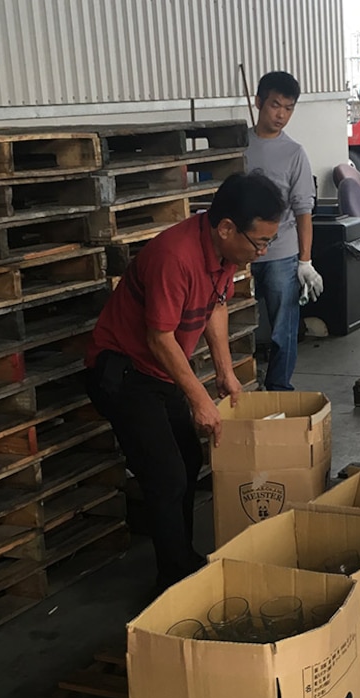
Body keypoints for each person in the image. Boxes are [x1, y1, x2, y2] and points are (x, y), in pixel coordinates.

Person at [84, 172, 285, 591]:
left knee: (189, 462)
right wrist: (199, 399)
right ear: (227, 227)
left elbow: (215, 307)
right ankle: (173, 579)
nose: (263, 251)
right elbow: (159, 338)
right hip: (121, 372)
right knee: (168, 475)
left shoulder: (227, 254)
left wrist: (226, 374)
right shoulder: (174, 256)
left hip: (159, 370)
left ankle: (182, 556)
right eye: (260, 242)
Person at [245, 71, 322, 391]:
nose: (281, 115)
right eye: (275, 105)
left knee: (283, 329)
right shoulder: (239, 146)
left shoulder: (294, 153)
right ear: (259, 102)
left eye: (289, 108)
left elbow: (304, 211)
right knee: (236, 325)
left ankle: (278, 389)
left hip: (281, 254)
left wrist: (305, 261)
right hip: (239, 255)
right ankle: (240, 385)